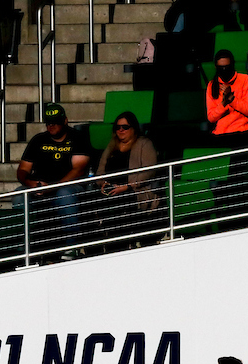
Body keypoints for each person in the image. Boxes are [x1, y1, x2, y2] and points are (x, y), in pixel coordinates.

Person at [15, 102, 90, 257]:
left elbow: (79, 169)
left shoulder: (78, 138)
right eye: (48, 123)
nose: (51, 126)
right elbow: (23, 170)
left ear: (65, 121)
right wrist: (32, 184)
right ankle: (24, 247)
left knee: (64, 194)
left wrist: (52, 187)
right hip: (40, 186)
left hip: (68, 185)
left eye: (55, 122)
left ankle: (71, 247)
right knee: (19, 195)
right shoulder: (38, 140)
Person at [92, 111, 160, 246]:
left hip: (134, 190)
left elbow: (149, 171)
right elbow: (100, 172)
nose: (121, 130)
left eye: (125, 127)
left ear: (133, 128)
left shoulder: (144, 144)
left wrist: (127, 186)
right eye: (118, 127)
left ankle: (120, 243)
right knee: (89, 200)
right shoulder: (112, 146)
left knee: (120, 200)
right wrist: (103, 184)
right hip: (110, 189)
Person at [205, 50, 248, 138]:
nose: (224, 70)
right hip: (220, 134)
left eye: (227, 67)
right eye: (221, 68)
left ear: (232, 65)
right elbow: (211, 118)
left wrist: (232, 99)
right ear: (216, 67)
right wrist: (223, 103)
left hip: (242, 132)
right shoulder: (212, 85)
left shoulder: (244, 79)